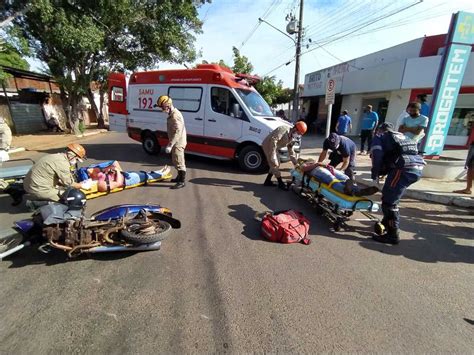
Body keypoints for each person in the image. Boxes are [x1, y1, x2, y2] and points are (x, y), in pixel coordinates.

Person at [370, 123, 425, 244]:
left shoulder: (379, 137)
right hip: (417, 168)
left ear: (378, 130)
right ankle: (386, 223)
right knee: (390, 195)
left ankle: (392, 234)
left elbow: (377, 156)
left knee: (389, 202)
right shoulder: (402, 136)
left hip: (403, 169)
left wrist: (375, 175)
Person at [23, 143, 91, 202]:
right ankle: (35, 203)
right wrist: (82, 185)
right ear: (72, 156)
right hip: (39, 189)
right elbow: (69, 183)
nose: (76, 162)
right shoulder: (62, 163)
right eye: (77, 159)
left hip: (30, 185)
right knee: (72, 198)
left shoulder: (56, 156)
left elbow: (56, 178)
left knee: (64, 188)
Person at [262, 121, 307, 190]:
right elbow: (274, 140)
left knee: (276, 163)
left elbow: (290, 150)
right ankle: (280, 183)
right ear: (295, 129)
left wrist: (295, 163)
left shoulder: (292, 137)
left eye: (300, 134)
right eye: (298, 133)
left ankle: (267, 181)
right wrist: (273, 154)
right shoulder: (283, 129)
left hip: (275, 147)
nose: (298, 135)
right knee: (275, 164)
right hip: (268, 145)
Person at [154, 95, 187, 189]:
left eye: (162, 107)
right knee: (175, 160)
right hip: (176, 141)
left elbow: (178, 132)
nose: (162, 109)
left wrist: (170, 144)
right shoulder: (171, 113)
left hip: (178, 142)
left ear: (168, 105)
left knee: (179, 161)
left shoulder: (175, 115)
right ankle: (179, 177)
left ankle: (182, 181)